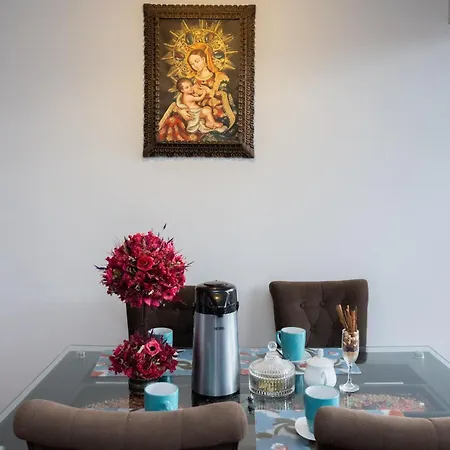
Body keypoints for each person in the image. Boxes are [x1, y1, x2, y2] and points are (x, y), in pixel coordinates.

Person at [158, 45, 237, 142]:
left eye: (197, 61)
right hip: (192, 111)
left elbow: (225, 95)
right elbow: (179, 100)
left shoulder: (219, 77)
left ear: (204, 59)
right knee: (173, 122)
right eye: (192, 64)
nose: (195, 66)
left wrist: (210, 92)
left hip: (214, 109)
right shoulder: (190, 79)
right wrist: (180, 111)